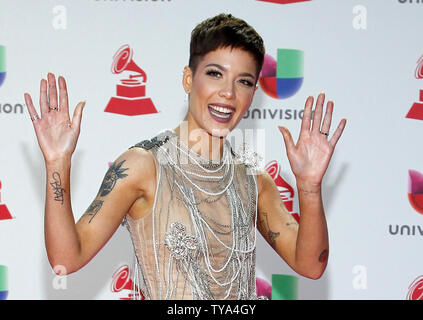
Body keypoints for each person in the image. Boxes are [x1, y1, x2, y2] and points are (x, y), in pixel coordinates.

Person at [24, 13, 346, 300]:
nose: (228, 93)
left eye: (244, 82)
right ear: (188, 79)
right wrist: (58, 163)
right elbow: (66, 258)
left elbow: (310, 265)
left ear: (252, 95)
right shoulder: (143, 166)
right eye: (215, 74)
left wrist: (309, 186)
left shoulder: (254, 180)